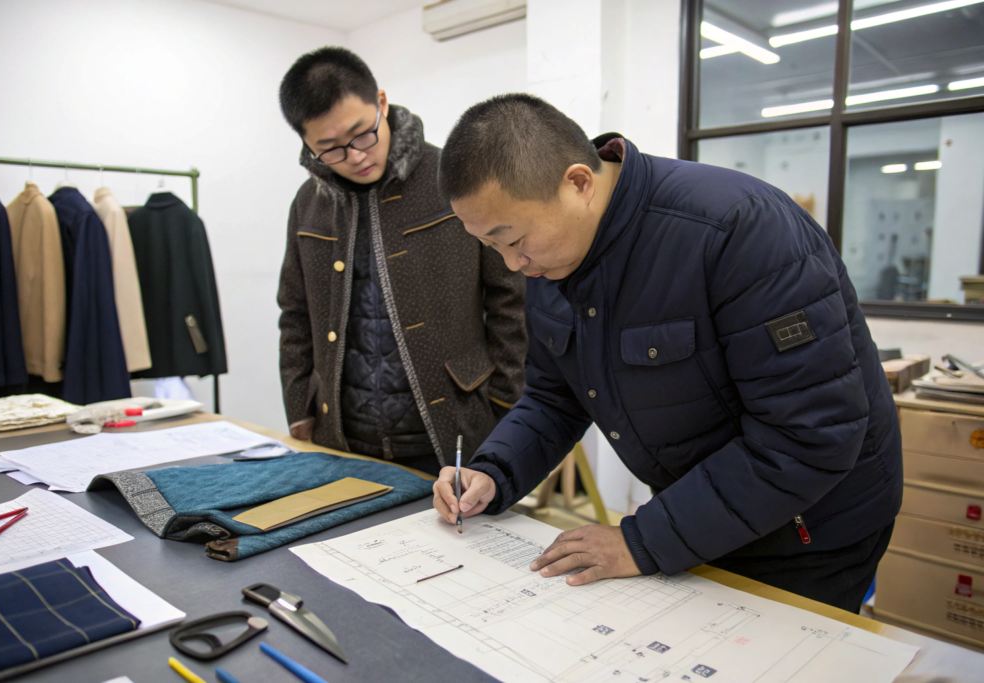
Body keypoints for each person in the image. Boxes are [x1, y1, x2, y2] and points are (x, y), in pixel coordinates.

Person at [432, 93, 902, 613]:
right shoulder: (551, 261)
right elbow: (554, 397)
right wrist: (494, 471)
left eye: (513, 239)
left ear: (579, 183)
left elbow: (809, 435)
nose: (511, 264)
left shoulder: (738, 229)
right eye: (491, 246)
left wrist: (644, 539)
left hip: (808, 532)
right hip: (702, 514)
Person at [276, 48, 527, 474]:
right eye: (330, 149)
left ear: (381, 103)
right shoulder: (308, 203)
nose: (355, 156)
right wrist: (299, 404)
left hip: (456, 428)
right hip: (343, 437)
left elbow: (510, 297)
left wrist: (506, 401)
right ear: (306, 143)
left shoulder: (454, 178)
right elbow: (295, 313)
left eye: (361, 134)